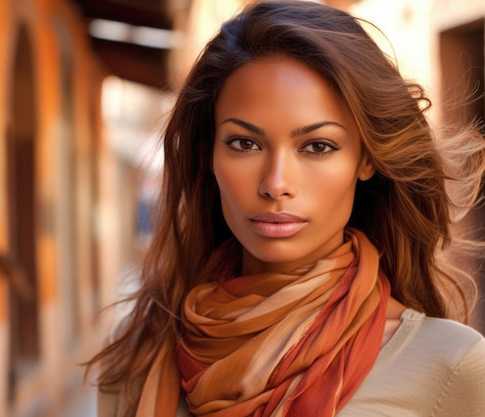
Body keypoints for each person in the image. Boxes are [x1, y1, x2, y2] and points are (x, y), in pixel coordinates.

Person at [87, 1, 485, 416]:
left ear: (366, 159)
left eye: (317, 146)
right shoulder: (139, 355)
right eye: (245, 143)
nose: (276, 183)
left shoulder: (449, 364)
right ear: (209, 155)